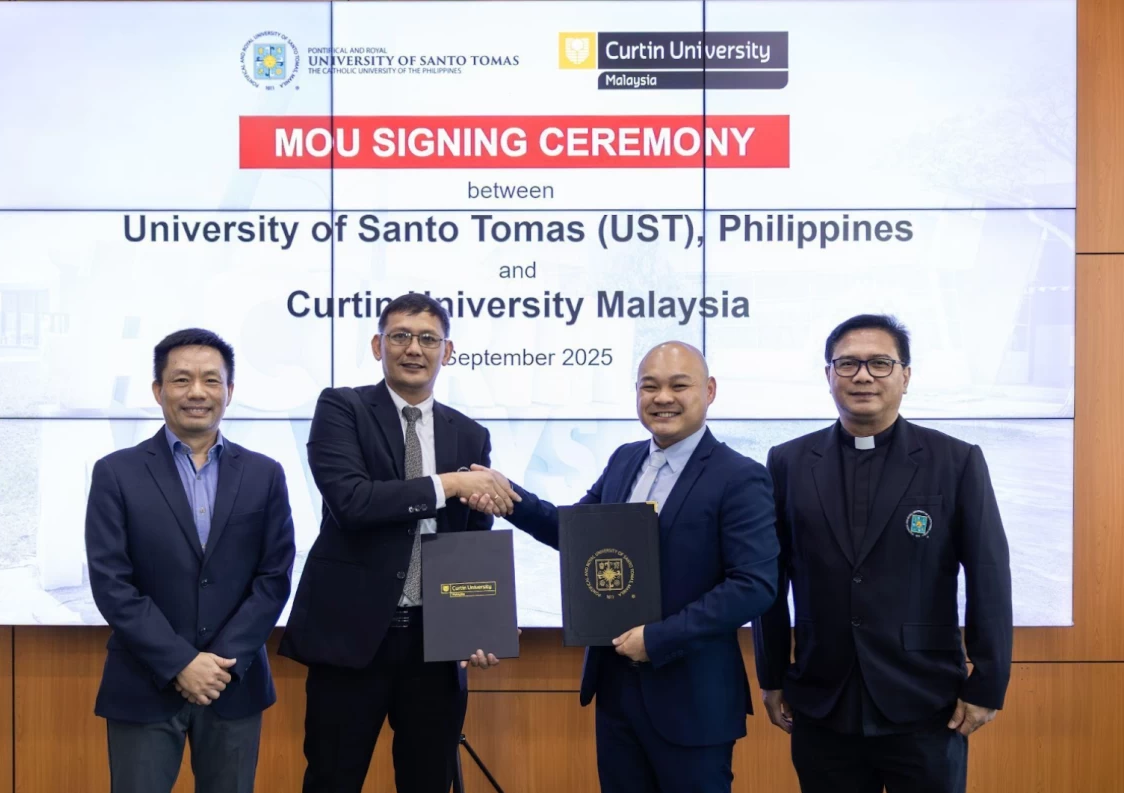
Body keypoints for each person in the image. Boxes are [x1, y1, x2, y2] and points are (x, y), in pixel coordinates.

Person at [468, 341, 779, 793]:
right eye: (649, 386)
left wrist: (657, 638)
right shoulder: (624, 459)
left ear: (709, 391)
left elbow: (753, 586)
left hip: (692, 700)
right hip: (616, 692)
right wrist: (509, 497)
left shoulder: (740, 476)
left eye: (679, 385)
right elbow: (575, 534)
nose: (662, 397)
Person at [753, 313, 1013, 793]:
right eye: (847, 364)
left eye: (879, 363)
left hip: (925, 699)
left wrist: (988, 683)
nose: (863, 376)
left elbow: (989, 575)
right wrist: (771, 675)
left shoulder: (955, 461)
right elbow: (770, 578)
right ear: (828, 376)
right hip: (821, 696)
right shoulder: (788, 461)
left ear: (905, 376)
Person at [278, 293, 521, 793]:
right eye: (401, 336)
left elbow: (473, 537)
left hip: (434, 645)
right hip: (353, 640)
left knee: (428, 781)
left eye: (428, 339)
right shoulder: (341, 408)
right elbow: (354, 502)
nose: (415, 348)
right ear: (377, 345)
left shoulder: (470, 434)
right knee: (331, 779)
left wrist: (477, 625)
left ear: (447, 352)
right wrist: (448, 484)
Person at [85, 328, 296, 793]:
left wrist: (218, 664)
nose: (197, 392)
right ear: (158, 391)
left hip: (232, 683)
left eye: (210, 380)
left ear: (230, 391)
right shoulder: (116, 473)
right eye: (181, 380)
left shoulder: (265, 473)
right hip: (143, 683)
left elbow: (274, 578)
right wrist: (182, 662)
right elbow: (111, 583)